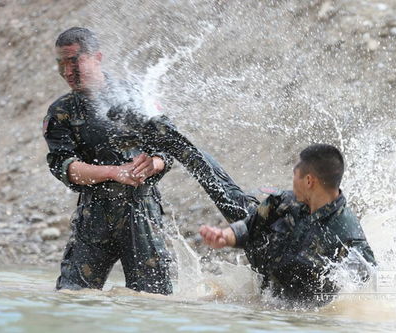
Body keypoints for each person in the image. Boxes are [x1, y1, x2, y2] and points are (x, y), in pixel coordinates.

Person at [43, 27, 257, 295]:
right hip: (94, 216)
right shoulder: (61, 112)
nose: (67, 71)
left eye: (74, 61)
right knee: (70, 296)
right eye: (61, 64)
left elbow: (169, 148)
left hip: (142, 214)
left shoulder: (133, 94)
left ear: (97, 57)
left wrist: (154, 163)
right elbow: (64, 167)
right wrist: (114, 172)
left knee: (152, 300)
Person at [199, 144, 377, 306]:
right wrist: (225, 237)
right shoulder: (284, 202)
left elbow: (370, 287)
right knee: (217, 184)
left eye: (295, 176)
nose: (292, 182)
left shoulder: (348, 234)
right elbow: (249, 226)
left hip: (304, 317)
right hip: (264, 297)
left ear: (309, 181)